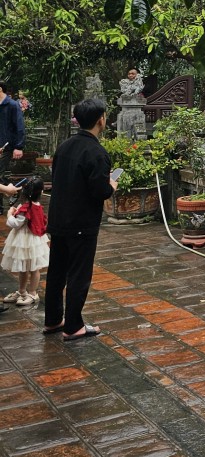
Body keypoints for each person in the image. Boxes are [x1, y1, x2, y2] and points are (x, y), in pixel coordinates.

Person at [43, 97, 116, 341]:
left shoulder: (64, 146)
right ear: (101, 120)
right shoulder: (96, 152)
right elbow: (100, 191)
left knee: (57, 272)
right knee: (78, 275)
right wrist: (112, 185)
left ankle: (53, 320)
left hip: (59, 219)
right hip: (82, 223)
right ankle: (73, 326)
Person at [2, 175, 48, 307]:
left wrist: (10, 214)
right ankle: (23, 292)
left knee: (30, 268)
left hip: (25, 240)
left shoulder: (25, 207)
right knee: (30, 267)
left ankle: (32, 293)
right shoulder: (36, 204)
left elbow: (16, 224)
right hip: (33, 240)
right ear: (41, 192)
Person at [0, 78, 25, 207]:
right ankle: (12, 190)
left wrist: (18, 146)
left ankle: (12, 191)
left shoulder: (12, 105)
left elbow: (19, 126)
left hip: (6, 146)